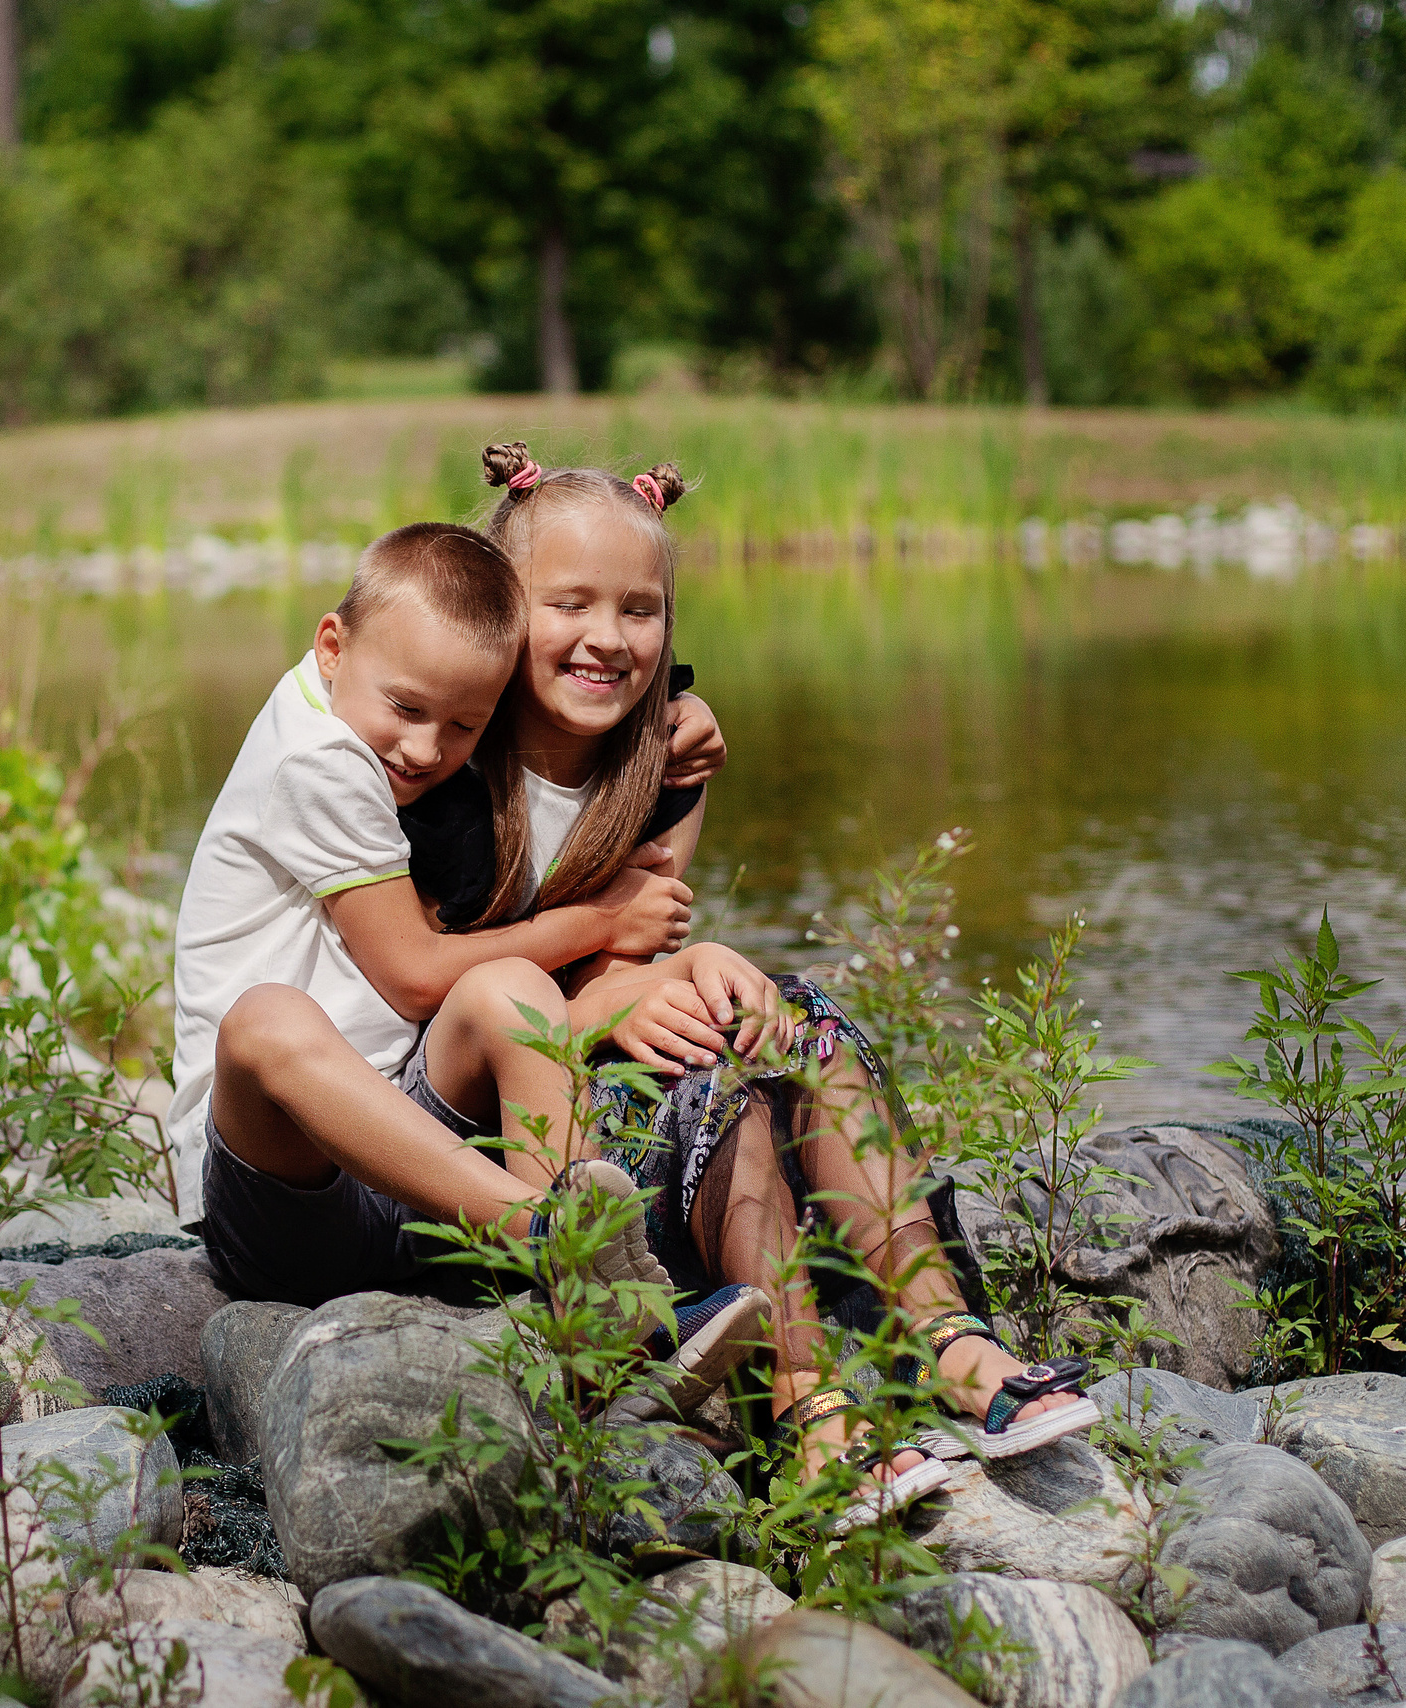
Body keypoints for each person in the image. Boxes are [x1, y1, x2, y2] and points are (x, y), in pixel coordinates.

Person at [398, 443, 1098, 1517]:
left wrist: (696, 967)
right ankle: (806, 1408)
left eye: (640, 609)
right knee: (709, 1078)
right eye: (569, 603)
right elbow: (449, 992)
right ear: (499, 610)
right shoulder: (443, 768)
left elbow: (639, 953)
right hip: (495, 1133)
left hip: (588, 1055)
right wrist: (616, 994)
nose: (607, 638)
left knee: (789, 1018)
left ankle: (951, 1338)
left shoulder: (664, 756)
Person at [165, 519, 769, 1410]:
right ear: (331, 645)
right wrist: (597, 919)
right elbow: (412, 975)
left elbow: (549, 785)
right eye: (407, 711)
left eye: (463, 727)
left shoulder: (385, 714)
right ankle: (562, 1242)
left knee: (509, 992)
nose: (425, 750)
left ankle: (593, 1321)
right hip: (285, 1194)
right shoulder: (314, 758)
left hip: (425, 1168)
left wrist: (673, 734)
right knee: (266, 1020)